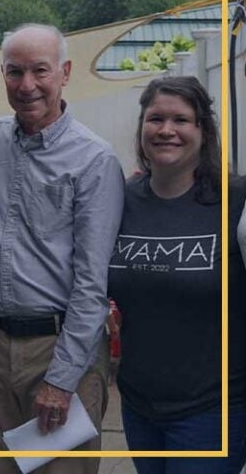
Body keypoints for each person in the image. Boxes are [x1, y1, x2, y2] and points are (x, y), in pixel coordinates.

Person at [0, 23, 124, 474]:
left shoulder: (94, 160)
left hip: (59, 346)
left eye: (40, 70)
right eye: (14, 72)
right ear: (2, 74)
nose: (27, 85)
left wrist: (61, 379)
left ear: (65, 72)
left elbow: (92, 283)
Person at [108, 76, 246, 474]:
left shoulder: (235, 201)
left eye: (181, 120)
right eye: (156, 118)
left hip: (214, 408)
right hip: (139, 406)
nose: (166, 130)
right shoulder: (122, 199)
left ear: (203, 130)